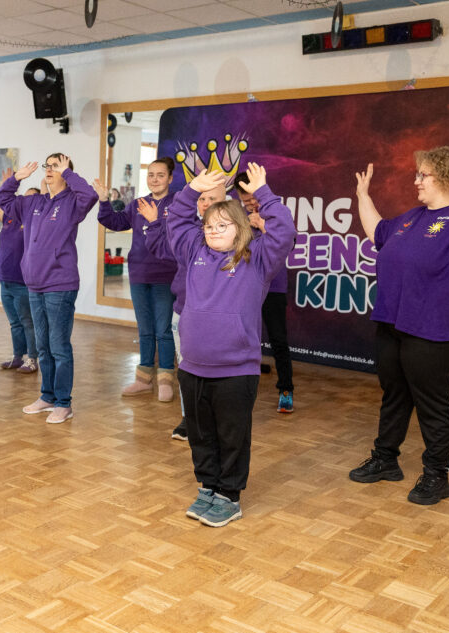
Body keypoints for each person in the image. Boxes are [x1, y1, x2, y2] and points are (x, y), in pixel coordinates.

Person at [349, 144, 449, 505]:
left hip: (439, 328)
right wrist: (362, 196)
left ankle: (437, 475)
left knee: (436, 404)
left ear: (447, 178)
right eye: (417, 174)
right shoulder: (412, 217)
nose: (416, 181)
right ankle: (385, 459)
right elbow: (378, 233)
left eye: (424, 175)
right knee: (394, 395)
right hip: (393, 322)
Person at [164, 163, 295, 527]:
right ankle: (208, 486)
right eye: (209, 225)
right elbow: (176, 220)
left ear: (241, 228)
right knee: (200, 434)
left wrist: (264, 193)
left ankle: (229, 496)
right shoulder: (193, 250)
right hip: (193, 367)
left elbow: (284, 231)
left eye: (223, 225)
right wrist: (192, 189)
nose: (214, 231)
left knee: (232, 435)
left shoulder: (257, 258)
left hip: (236, 370)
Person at [0, 154, 99, 424]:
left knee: (59, 346)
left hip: (60, 285)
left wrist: (70, 173)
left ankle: (64, 403)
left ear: (66, 172)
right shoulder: (33, 202)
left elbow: (90, 195)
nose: (50, 170)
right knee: (42, 346)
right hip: (34, 284)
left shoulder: (73, 203)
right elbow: (3, 200)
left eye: (57, 166)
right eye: (48, 166)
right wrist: (16, 178)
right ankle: (47, 396)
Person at [143, 176, 226, 440]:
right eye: (201, 198)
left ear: (226, 201)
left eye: (212, 198)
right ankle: (189, 419)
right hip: (184, 312)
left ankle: (216, 422)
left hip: (219, 318)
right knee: (188, 372)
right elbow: (162, 248)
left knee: (218, 375)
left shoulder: (239, 234)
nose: (206, 203)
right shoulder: (187, 232)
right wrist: (155, 225)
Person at [96, 158, 178, 401]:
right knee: (145, 329)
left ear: (170, 178)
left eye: (160, 175)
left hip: (165, 275)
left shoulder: (178, 204)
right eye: (151, 174)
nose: (155, 179)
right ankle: (143, 380)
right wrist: (104, 200)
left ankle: (165, 380)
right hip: (139, 274)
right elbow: (114, 222)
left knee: (163, 330)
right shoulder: (137, 204)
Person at [233, 171, 295, 413]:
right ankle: (237, 386)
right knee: (239, 335)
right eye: (245, 200)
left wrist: (263, 224)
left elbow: (289, 243)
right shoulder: (236, 215)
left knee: (278, 338)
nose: (251, 203)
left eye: (253, 198)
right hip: (244, 285)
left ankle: (286, 391)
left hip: (274, 285)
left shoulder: (275, 210)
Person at [0, 174, 38, 374]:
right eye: (24, 197)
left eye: (31, 197)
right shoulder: (9, 217)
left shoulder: (36, 223)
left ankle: (32, 359)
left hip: (22, 281)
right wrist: (5, 184)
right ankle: (18, 357)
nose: (25, 200)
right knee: (14, 322)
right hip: (4, 278)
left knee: (27, 322)